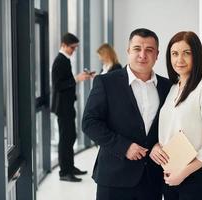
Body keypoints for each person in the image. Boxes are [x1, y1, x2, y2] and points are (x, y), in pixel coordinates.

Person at [82, 28, 171, 200]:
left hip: (152, 179)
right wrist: (125, 147)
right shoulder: (106, 82)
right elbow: (89, 122)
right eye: (137, 49)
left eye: (149, 50)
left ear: (157, 54)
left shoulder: (167, 87)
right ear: (128, 51)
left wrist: (160, 143)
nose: (142, 55)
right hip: (114, 178)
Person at [150, 31, 202, 200]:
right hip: (170, 174)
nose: (179, 60)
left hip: (195, 177)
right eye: (174, 54)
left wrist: (183, 173)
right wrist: (157, 146)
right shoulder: (173, 88)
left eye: (186, 53)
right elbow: (169, 128)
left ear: (196, 56)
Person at [51, 32, 92, 182]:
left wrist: (78, 78)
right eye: (72, 48)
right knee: (65, 139)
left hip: (67, 106)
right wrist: (76, 79)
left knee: (70, 137)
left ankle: (70, 167)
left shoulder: (65, 60)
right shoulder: (60, 60)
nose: (73, 51)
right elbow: (57, 85)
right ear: (64, 45)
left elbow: (65, 81)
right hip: (63, 107)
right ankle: (64, 172)